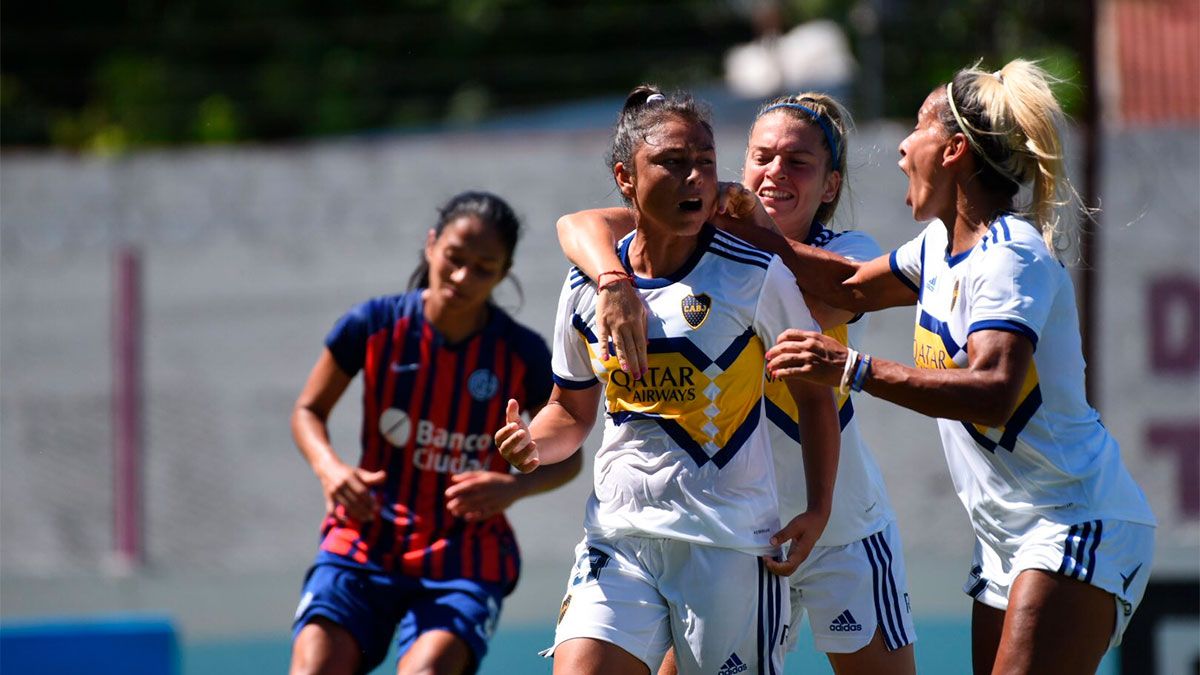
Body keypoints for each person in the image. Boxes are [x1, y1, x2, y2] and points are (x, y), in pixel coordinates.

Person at [763, 60, 1157, 674]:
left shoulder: (1010, 256)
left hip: (1073, 517)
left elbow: (994, 391)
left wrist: (851, 368)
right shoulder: (937, 248)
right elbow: (849, 288)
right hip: (1004, 533)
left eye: (918, 127)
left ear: (952, 151)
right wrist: (741, 227)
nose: (901, 147)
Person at [557, 92, 917, 675]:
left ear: (830, 185)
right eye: (762, 157)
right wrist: (613, 279)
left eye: (798, 162)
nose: (776, 172)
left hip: (836, 527)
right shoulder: (700, 236)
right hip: (734, 533)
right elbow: (579, 225)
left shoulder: (845, 255)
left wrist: (755, 233)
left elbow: (827, 297)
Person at [494, 86, 841, 675]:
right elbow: (570, 412)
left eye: (705, 161)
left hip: (728, 545)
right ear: (626, 179)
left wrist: (820, 506)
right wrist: (533, 443)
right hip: (617, 537)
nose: (695, 177)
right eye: (673, 162)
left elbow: (814, 394)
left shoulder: (755, 275)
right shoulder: (585, 288)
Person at [288, 190, 583, 675]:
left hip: (465, 554)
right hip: (365, 538)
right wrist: (330, 470)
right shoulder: (372, 325)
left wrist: (513, 487)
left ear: (504, 273)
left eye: (483, 268)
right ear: (431, 245)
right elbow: (307, 410)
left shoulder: (521, 353)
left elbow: (569, 455)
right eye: (454, 258)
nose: (463, 276)